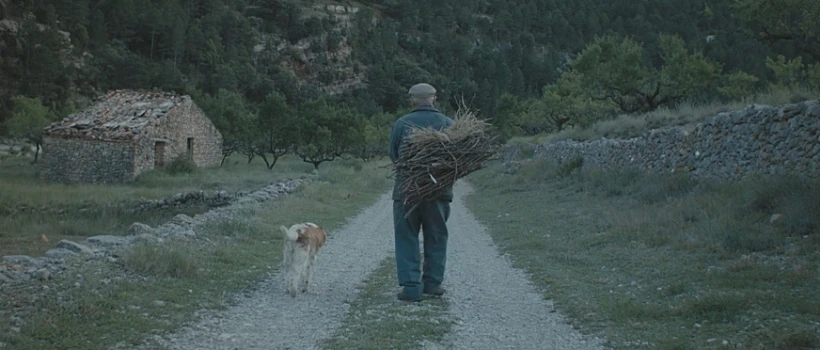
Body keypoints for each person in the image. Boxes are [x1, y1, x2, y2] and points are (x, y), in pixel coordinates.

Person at [388, 83, 455, 302]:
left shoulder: (401, 124)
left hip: (407, 191)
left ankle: (411, 288)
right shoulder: (448, 124)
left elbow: (394, 155)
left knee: (406, 236)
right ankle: (433, 285)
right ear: (433, 99)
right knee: (436, 236)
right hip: (439, 191)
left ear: (412, 101)